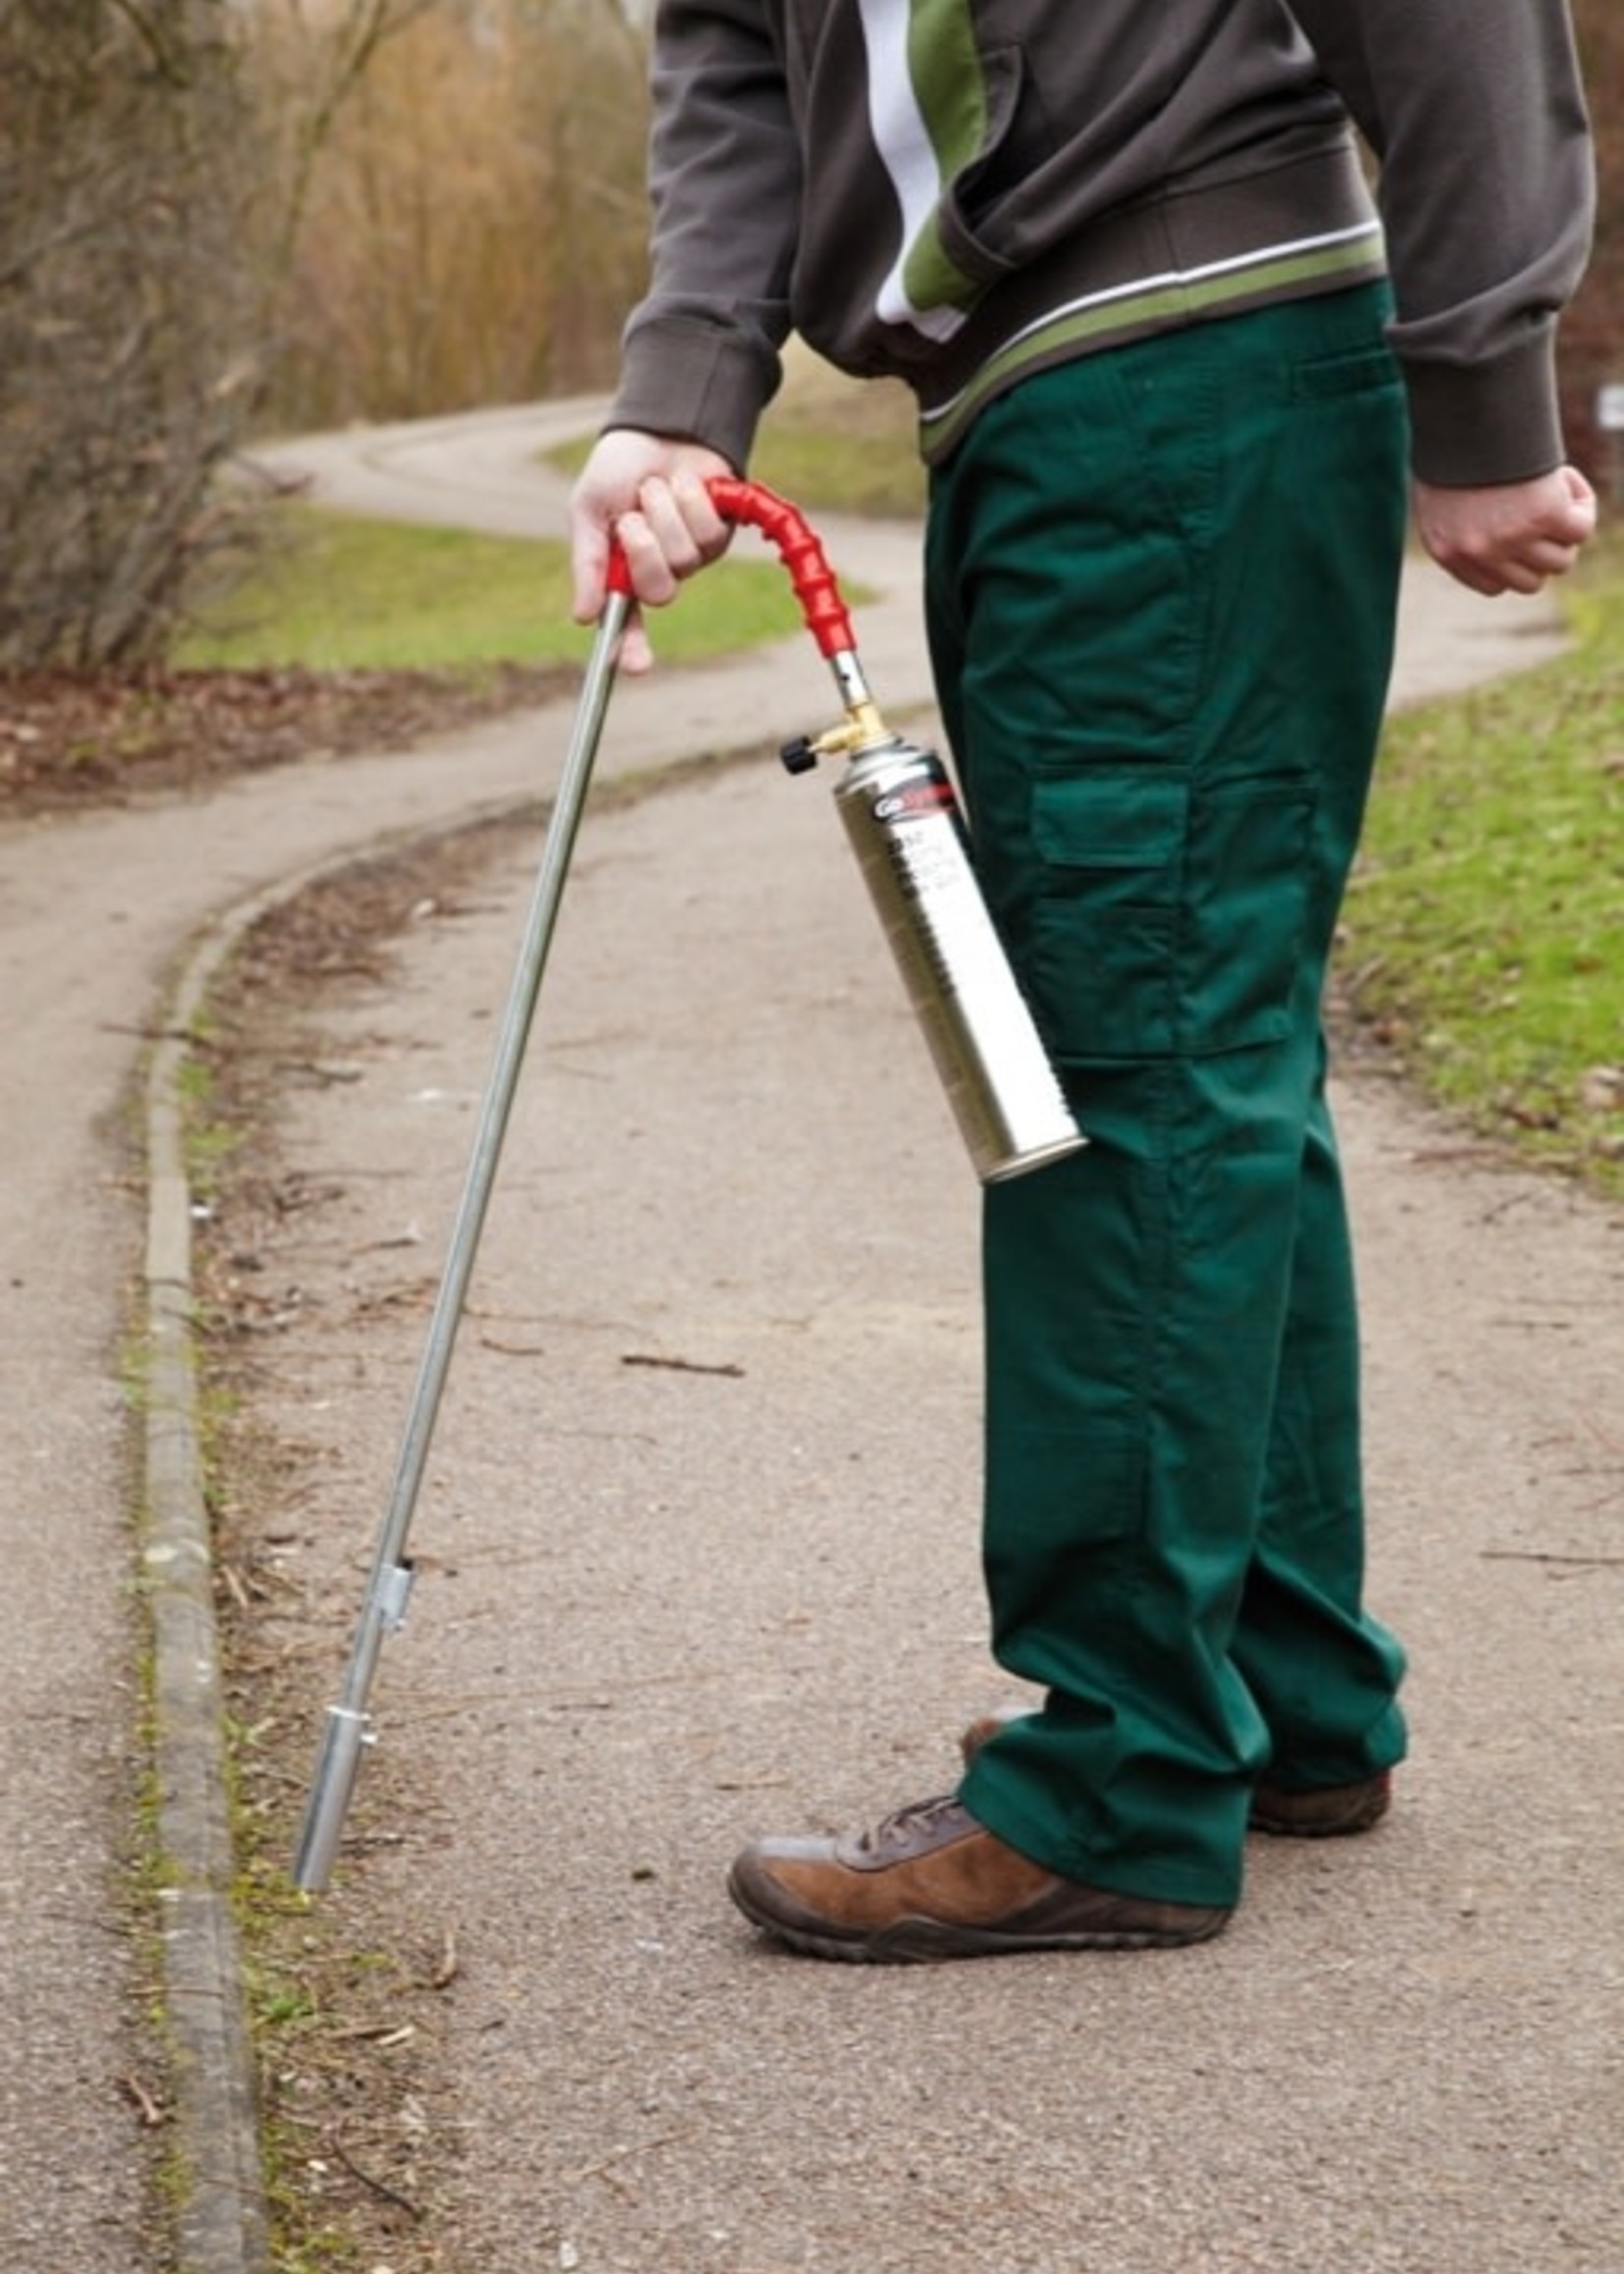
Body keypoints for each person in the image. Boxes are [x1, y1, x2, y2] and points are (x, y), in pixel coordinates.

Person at [568, 0, 1597, 1961]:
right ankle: (1269, 1686)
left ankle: (1119, 1773)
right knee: (1203, 1041)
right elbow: (727, 32)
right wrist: (686, 381)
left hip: (1185, 358)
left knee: (1132, 1056)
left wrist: (1484, 384)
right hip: (1044, 396)